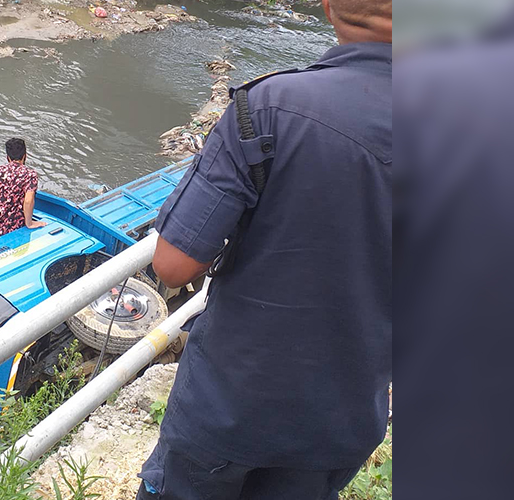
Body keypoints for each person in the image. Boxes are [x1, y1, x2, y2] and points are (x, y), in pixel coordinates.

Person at [137, 0, 392, 498]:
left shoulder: (269, 107)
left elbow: (172, 264)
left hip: (230, 406)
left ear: (328, 6)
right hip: (343, 420)